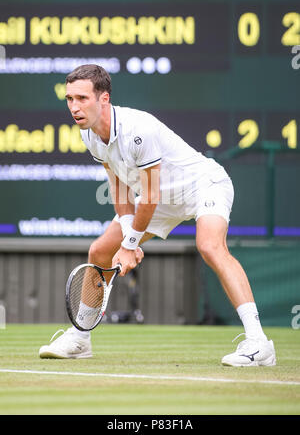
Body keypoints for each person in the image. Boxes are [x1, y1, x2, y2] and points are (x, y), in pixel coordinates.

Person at [39, 64, 276, 367]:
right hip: (162, 200)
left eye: (82, 98)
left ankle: (258, 342)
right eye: (69, 99)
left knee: (210, 245)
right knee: (99, 250)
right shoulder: (90, 135)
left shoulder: (139, 130)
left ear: (104, 99)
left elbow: (148, 196)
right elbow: (121, 191)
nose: (74, 107)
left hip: (202, 186)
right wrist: (126, 239)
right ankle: (80, 338)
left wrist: (130, 245)